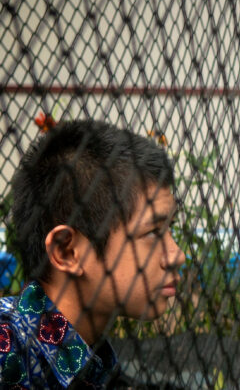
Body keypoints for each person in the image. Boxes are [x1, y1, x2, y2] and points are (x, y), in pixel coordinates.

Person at [0, 120, 186, 388]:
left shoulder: (94, 361)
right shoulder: (7, 354)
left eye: (170, 228)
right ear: (67, 251)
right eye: (153, 232)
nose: (177, 255)